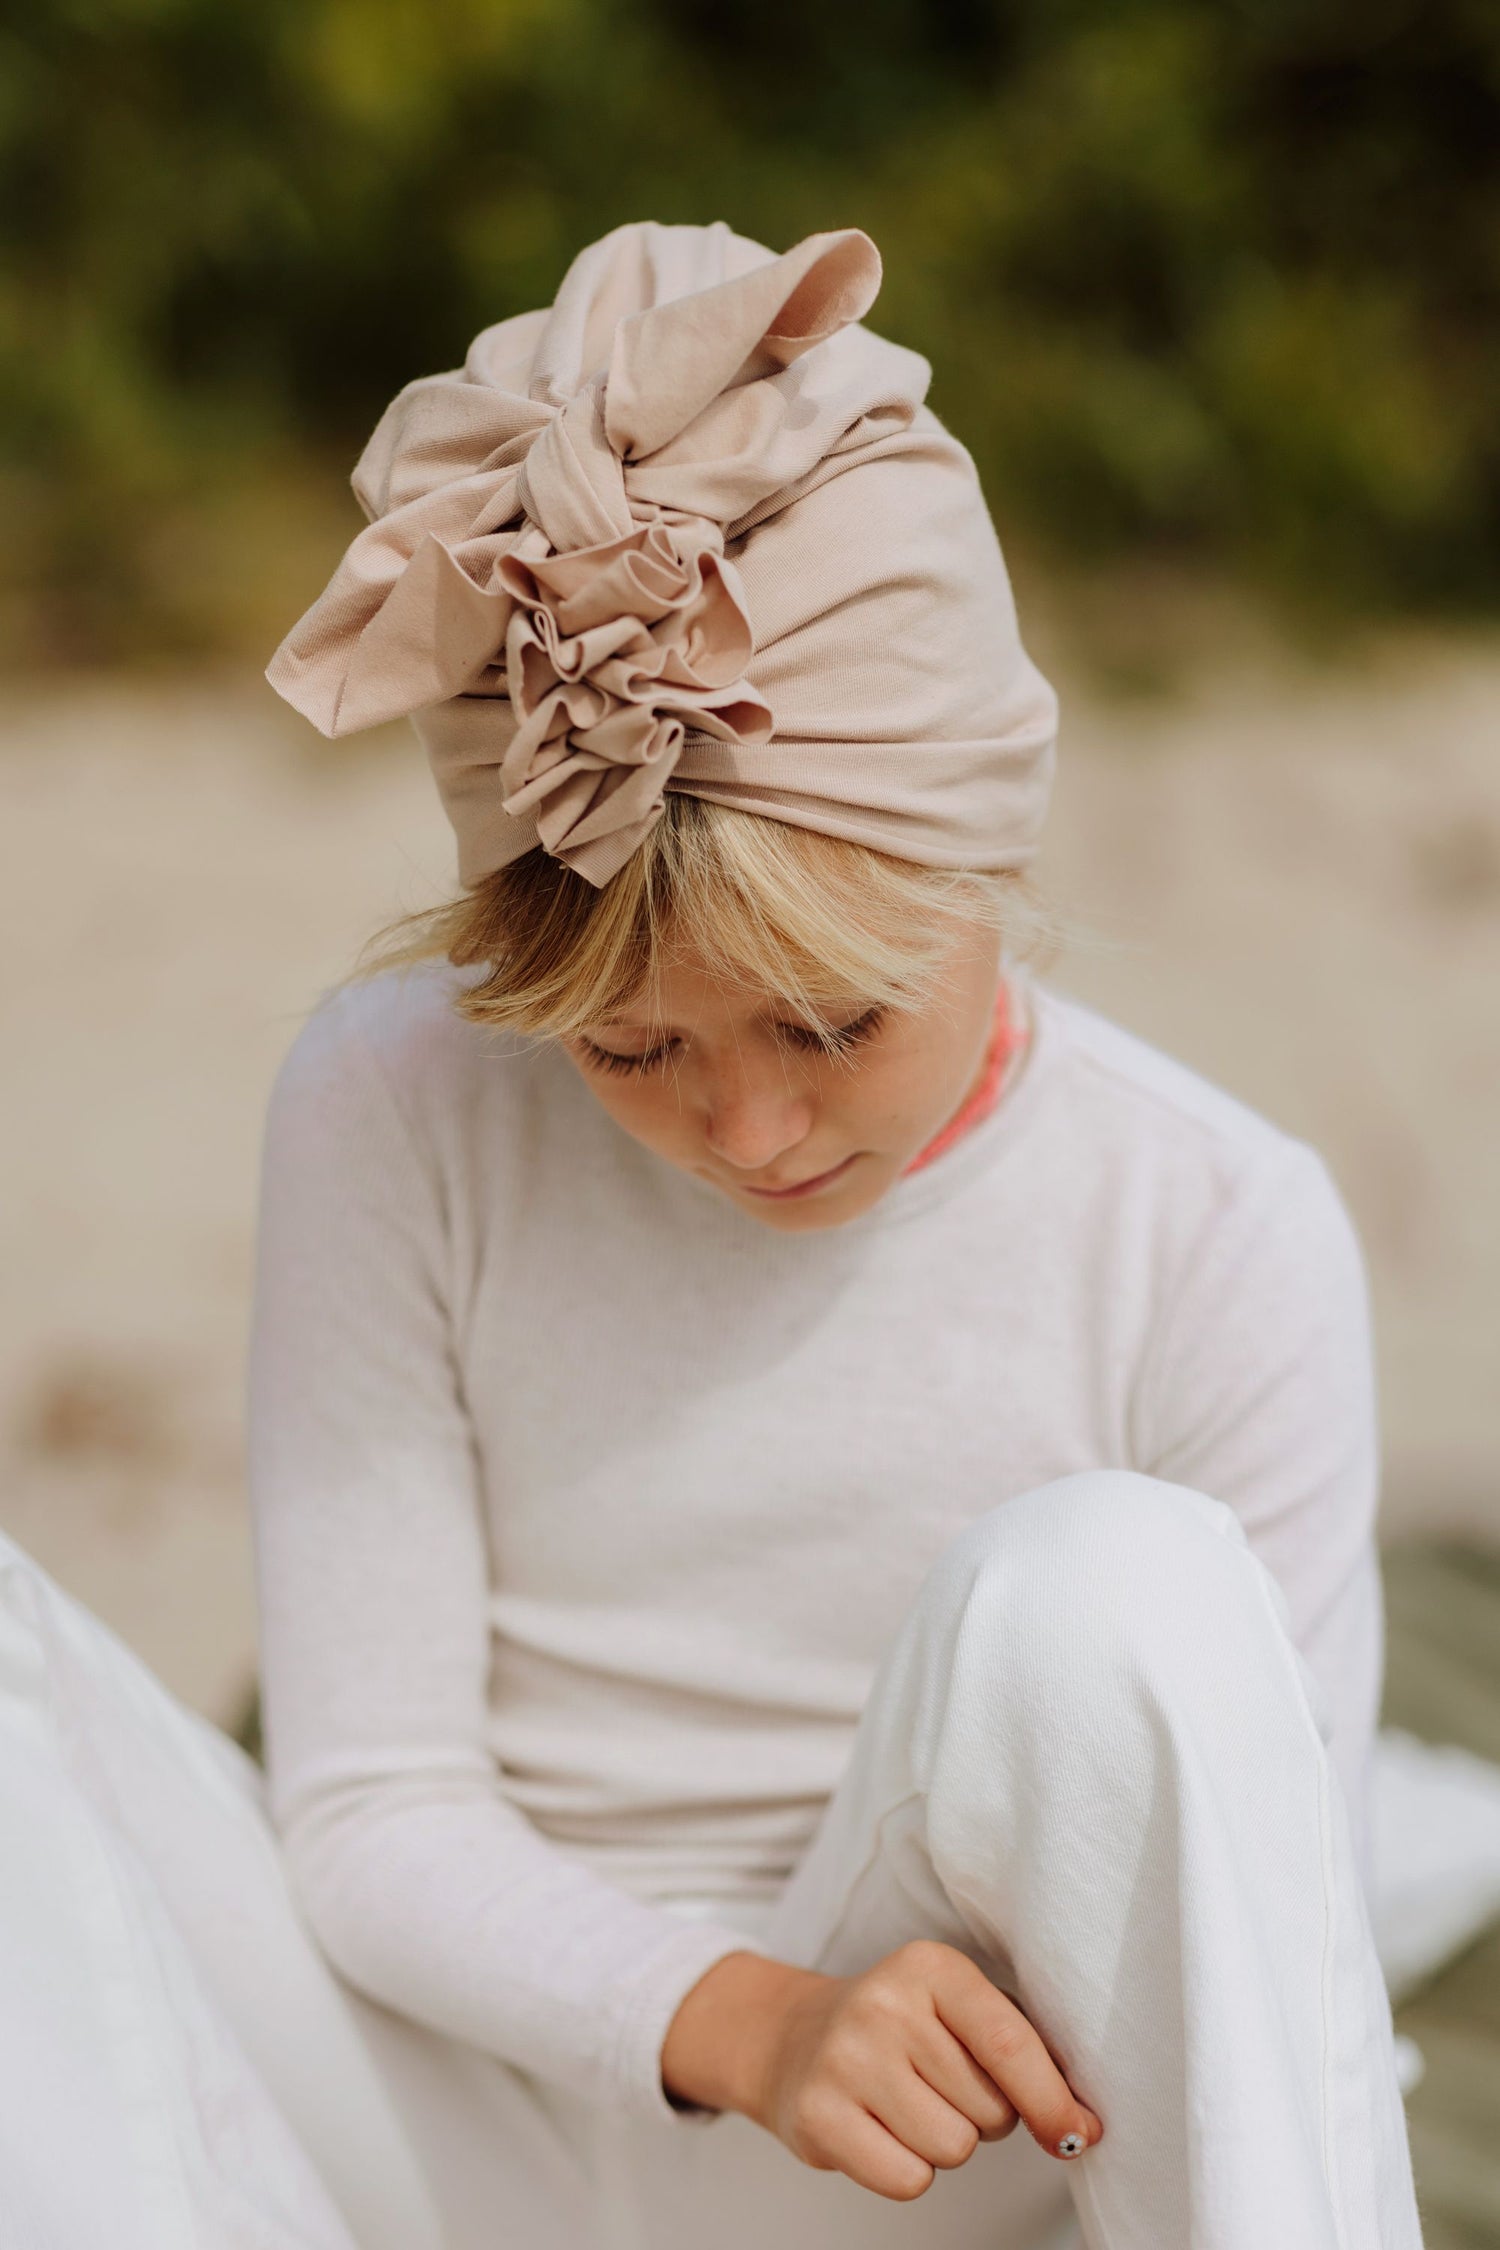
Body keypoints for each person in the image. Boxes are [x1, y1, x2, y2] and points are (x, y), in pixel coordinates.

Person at [0, 221, 1424, 2250]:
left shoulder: (1211, 1219)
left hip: (946, 2161)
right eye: (633, 1048)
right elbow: (375, 1814)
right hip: (461, 2112)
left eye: (834, 1023)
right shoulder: (395, 1100)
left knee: (1119, 1582)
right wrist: (743, 2023)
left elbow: (1263, 1950)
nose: (749, 1132)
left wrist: (838, 2042)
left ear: (983, 857)